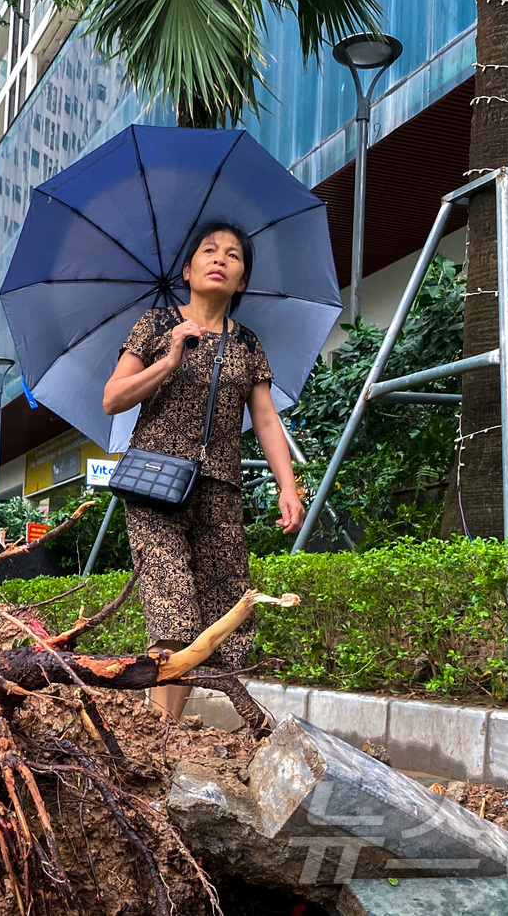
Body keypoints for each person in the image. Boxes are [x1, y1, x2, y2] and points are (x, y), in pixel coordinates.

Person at [102, 220, 305, 720]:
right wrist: (169, 359)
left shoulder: (248, 345)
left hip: (218, 490)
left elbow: (264, 417)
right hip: (154, 484)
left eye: (234, 256)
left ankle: (159, 727)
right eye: (209, 251)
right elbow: (112, 398)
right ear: (188, 270)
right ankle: (162, 734)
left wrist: (288, 485)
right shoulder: (155, 326)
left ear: (241, 281)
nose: (221, 259)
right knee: (171, 608)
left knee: (220, 614)